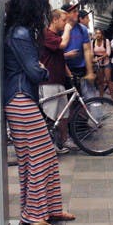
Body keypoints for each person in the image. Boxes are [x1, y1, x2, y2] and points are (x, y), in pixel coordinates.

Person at [3, 0, 75, 225]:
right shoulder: (21, 33)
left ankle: (51, 208)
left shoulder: (19, 31)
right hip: (20, 97)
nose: (44, 12)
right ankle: (32, 216)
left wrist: (38, 67)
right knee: (40, 155)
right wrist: (42, 69)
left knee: (39, 156)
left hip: (22, 98)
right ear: (32, 7)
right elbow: (35, 71)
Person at [39, 9, 78, 153]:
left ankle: (63, 140)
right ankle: (48, 146)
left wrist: (70, 76)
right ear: (54, 20)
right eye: (63, 20)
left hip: (59, 81)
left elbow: (60, 58)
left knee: (63, 115)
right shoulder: (47, 35)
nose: (65, 23)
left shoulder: (54, 36)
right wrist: (68, 29)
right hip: (49, 82)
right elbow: (63, 44)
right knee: (51, 115)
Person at [61, 3, 96, 98]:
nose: (77, 14)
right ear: (65, 14)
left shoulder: (82, 29)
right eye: (74, 12)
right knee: (67, 100)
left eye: (76, 11)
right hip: (64, 69)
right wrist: (66, 55)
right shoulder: (60, 28)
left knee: (83, 99)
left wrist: (90, 72)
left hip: (81, 69)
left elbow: (87, 51)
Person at [92, 29, 113, 98]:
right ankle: (101, 96)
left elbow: (108, 53)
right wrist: (93, 59)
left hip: (106, 62)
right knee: (100, 81)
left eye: (99, 33)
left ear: (102, 35)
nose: (98, 35)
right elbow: (92, 53)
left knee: (108, 80)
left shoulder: (106, 41)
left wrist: (98, 58)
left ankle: (112, 95)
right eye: (96, 33)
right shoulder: (92, 42)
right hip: (98, 64)